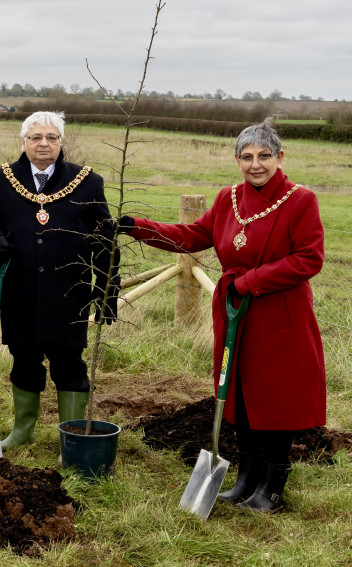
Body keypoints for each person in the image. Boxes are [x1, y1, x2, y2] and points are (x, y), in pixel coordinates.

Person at [118, 118, 325, 513]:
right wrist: (135, 227)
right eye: (247, 157)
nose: (256, 164)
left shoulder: (301, 200)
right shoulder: (228, 198)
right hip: (236, 314)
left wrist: (249, 283)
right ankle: (246, 478)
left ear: (280, 157)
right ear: (236, 159)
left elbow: (308, 259)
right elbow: (191, 236)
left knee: (275, 397)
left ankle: (272, 487)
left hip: (280, 315)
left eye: (264, 156)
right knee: (240, 393)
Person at [0, 111, 118, 450]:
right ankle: (23, 430)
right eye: (36, 137)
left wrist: (107, 286)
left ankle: (71, 435)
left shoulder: (88, 181)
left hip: (69, 291)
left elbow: (104, 238)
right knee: (24, 359)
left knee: (69, 362)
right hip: (19, 288)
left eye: (51, 137)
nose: (44, 144)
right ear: (23, 142)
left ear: (60, 142)